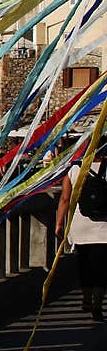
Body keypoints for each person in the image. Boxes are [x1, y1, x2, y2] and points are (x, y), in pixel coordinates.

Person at [56, 135, 107, 322]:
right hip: (104, 227)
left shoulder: (75, 169)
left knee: (84, 264)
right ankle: (97, 304)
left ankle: (86, 298)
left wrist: (59, 223)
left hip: (80, 226)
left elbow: (64, 199)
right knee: (102, 268)